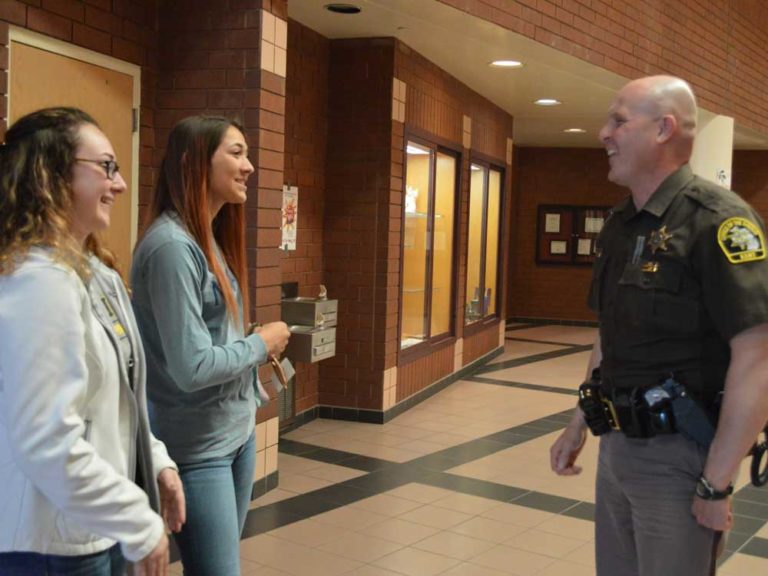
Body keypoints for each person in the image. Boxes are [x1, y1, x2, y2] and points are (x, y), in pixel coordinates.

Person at [549, 75, 768, 576]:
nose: (603, 134)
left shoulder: (718, 222)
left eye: (619, 121)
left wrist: (716, 483)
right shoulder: (620, 224)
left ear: (664, 129)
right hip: (617, 447)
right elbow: (610, 335)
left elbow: (758, 357)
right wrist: (578, 422)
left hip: (680, 459)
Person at [0, 107, 185, 576]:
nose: (119, 184)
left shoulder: (94, 273)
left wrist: (156, 460)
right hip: (49, 543)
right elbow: (45, 438)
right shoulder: (38, 280)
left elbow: (117, 398)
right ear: (52, 175)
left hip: (91, 525)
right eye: (106, 167)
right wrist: (135, 519)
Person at [130, 115, 290, 576]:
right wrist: (259, 344)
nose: (249, 166)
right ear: (194, 162)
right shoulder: (172, 248)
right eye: (236, 153)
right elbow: (192, 366)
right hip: (199, 450)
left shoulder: (209, 238)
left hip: (235, 434)